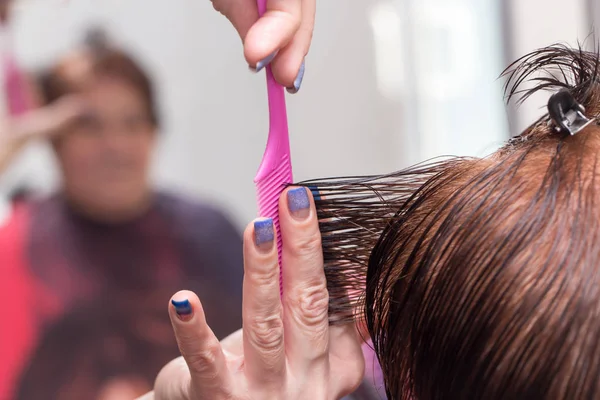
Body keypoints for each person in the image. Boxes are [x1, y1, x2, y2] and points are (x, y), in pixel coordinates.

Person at [0, 29, 244, 400]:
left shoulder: (208, 232)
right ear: (52, 137)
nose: (115, 146)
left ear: (154, 132)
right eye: (89, 125)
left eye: (133, 123)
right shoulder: (16, 246)